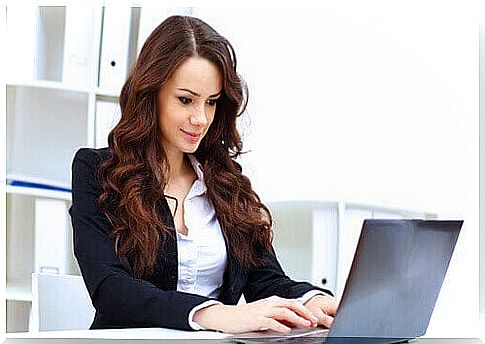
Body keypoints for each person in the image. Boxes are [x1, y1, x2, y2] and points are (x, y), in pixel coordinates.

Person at [69, 15, 338, 334]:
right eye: (186, 100)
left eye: (211, 102)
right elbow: (111, 289)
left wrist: (308, 301)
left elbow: (264, 279)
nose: (200, 118)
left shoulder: (225, 181)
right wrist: (214, 314)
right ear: (151, 92)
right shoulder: (98, 171)